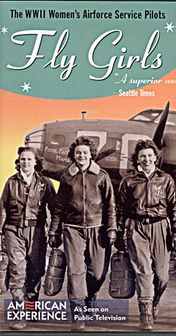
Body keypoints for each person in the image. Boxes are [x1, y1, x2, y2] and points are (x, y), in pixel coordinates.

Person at [48, 136, 117, 331]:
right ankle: (77, 314)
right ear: (73, 155)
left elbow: (111, 205)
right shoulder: (66, 177)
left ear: (91, 155)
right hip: (73, 229)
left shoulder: (102, 176)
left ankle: (90, 295)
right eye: (78, 152)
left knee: (97, 273)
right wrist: (54, 230)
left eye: (85, 152)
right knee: (75, 271)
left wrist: (112, 228)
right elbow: (59, 207)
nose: (81, 155)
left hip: (98, 228)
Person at [116, 139, 176, 330]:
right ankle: (145, 314)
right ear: (137, 159)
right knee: (143, 271)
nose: (146, 159)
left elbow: (174, 207)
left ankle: (154, 301)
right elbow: (121, 209)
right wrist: (120, 233)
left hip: (160, 226)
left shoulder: (166, 179)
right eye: (142, 156)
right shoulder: (128, 181)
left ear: (155, 157)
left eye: (150, 155)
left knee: (162, 276)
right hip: (136, 227)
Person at [0, 146, 56, 330]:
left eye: (29, 159)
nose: (25, 162)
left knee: (36, 271)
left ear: (35, 161)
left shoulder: (45, 183)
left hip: (37, 232)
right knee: (17, 270)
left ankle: (31, 307)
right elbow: (2, 209)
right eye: (22, 159)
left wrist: (54, 231)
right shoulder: (11, 182)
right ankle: (19, 314)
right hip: (13, 230)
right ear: (19, 162)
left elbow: (54, 209)